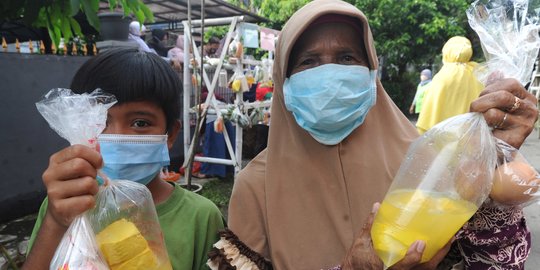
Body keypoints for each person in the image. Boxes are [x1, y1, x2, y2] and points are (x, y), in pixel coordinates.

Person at [206, 0, 538, 269]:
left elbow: (487, 261)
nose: (330, 74)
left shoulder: (427, 162)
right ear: (284, 81)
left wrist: (491, 167)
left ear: (371, 74)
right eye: (309, 61)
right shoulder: (255, 186)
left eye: (346, 57)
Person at [23, 48, 225, 270]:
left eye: (140, 123)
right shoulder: (64, 206)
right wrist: (55, 221)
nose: (116, 137)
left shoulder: (200, 217)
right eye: (100, 121)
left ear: (171, 135)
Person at [416, 36, 484, 134]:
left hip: (443, 138)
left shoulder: (442, 77)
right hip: (471, 136)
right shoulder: (478, 73)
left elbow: (428, 111)